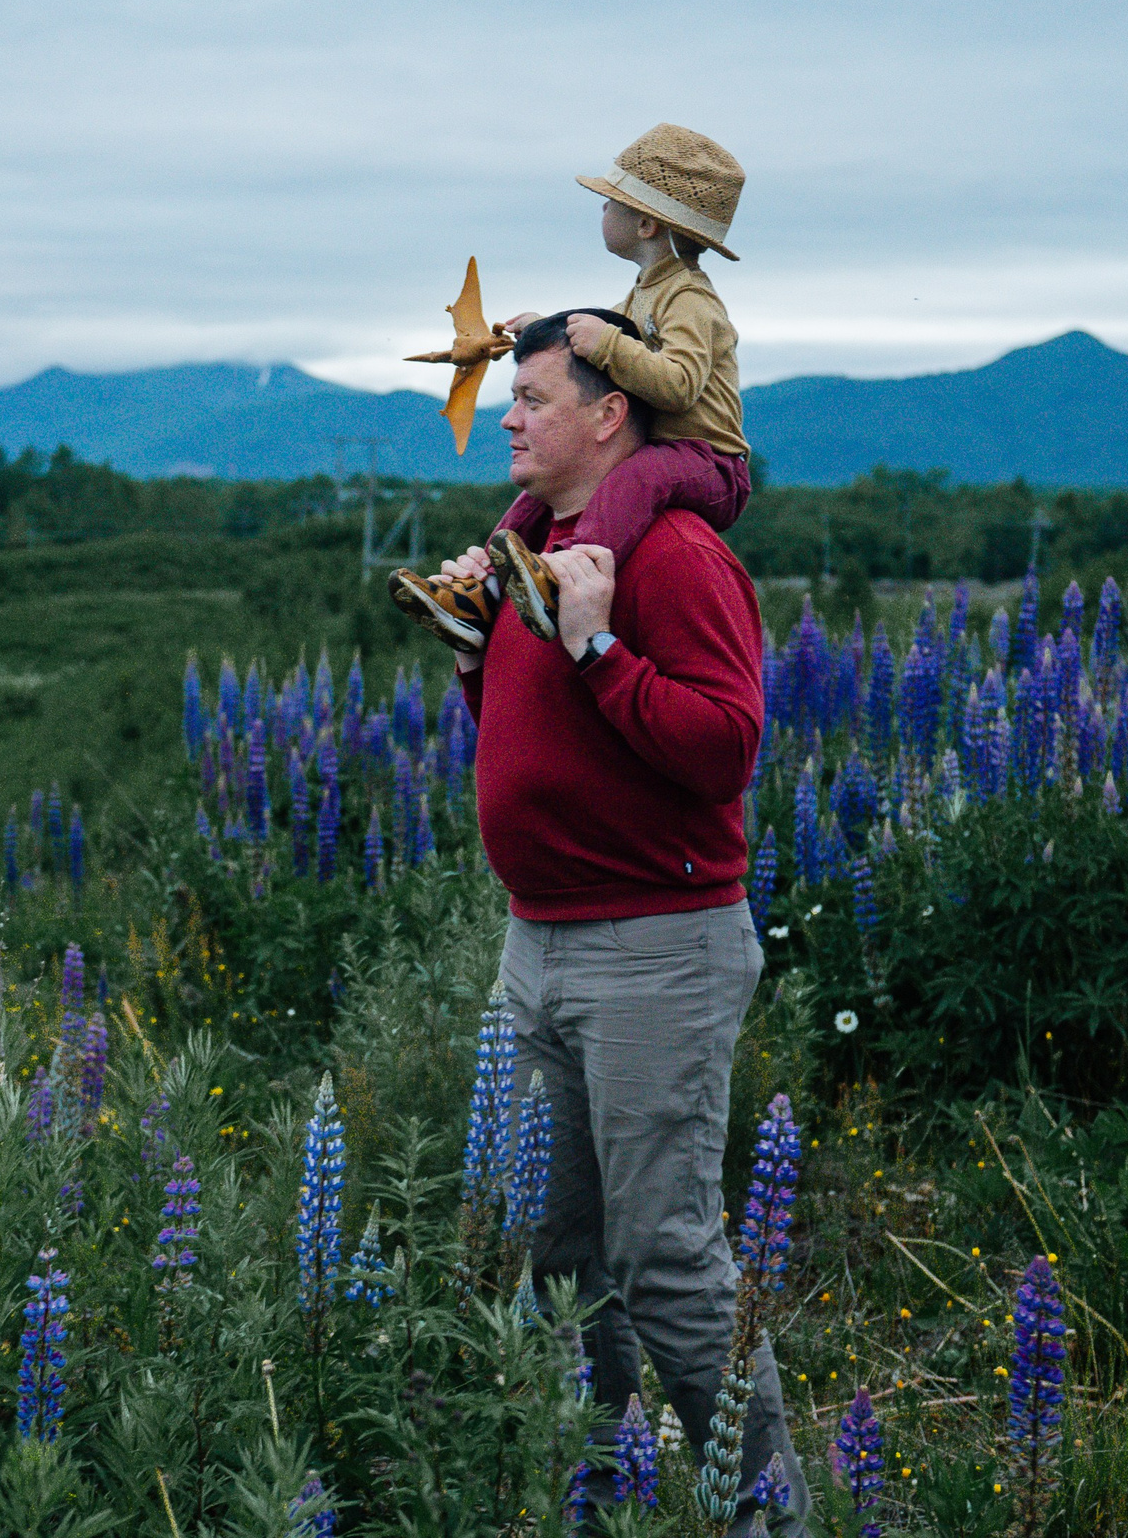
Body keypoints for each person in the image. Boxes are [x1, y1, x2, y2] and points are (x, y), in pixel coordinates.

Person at [435, 312, 810, 1534]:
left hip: (654, 944)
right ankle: (597, 1500)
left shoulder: (672, 554)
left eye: (534, 397)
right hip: (533, 938)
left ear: (609, 413)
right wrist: (468, 648)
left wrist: (595, 643)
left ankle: (767, 1518)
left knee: (665, 1258)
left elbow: (723, 748)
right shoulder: (533, 544)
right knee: (549, 1253)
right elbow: (525, 730)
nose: (510, 415)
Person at [391, 122, 750, 653]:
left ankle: (564, 583)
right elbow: (615, 349)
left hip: (709, 460)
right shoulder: (645, 294)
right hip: (665, 452)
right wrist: (548, 330)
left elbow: (676, 387)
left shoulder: (691, 299)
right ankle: (479, 597)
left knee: (636, 479)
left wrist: (605, 344)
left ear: (646, 223)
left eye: (610, 203)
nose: (602, 212)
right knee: (531, 503)